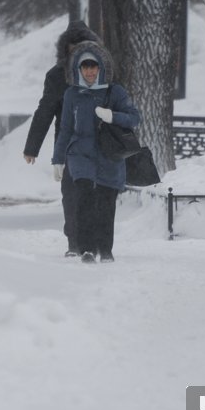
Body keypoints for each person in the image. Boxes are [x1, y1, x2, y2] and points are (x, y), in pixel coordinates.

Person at [51, 41, 140, 264]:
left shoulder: (115, 92)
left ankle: (105, 249)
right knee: (85, 200)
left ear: (101, 68)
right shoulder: (72, 94)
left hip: (109, 156)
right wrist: (58, 159)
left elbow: (134, 118)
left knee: (106, 202)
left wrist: (112, 116)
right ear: (78, 70)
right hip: (81, 156)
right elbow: (65, 128)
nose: (89, 71)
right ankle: (87, 249)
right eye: (85, 67)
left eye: (93, 67)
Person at [23, 20, 101, 257]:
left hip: (99, 144)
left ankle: (93, 241)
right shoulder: (57, 76)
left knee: (95, 194)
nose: (76, 49)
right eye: (72, 45)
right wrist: (32, 147)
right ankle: (75, 242)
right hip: (68, 145)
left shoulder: (102, 74)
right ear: (65, 49)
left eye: (82, 45)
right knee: (71, 194)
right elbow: (45, 110)